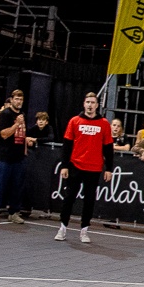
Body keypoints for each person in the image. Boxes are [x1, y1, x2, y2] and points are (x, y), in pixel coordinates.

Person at [55, 91, 118, 244]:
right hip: (75, 165)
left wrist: (109, 168)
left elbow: (108, 148)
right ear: (84, 104)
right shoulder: (74, 121)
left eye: (93, 102)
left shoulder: (104, 123)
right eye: (88, 102)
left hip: (94, 168)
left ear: (97, 105)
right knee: (69, 198)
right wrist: (64, 166)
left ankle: (84, 230)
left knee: (89, 200)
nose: (90, 105)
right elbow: (67, 145)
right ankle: (62, 228)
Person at [0, 88, 33, 221]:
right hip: (5, 156)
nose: (19, 102)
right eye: (17, 99)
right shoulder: (5, 114)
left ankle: (14, 212)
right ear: (12, 100)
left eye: (21, 99)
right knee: (0, 185)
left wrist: (25, 150)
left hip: (19, 156)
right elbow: (4, 134)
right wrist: (16, 124)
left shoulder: (22, 115)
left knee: (17, 186)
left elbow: (23, 134)